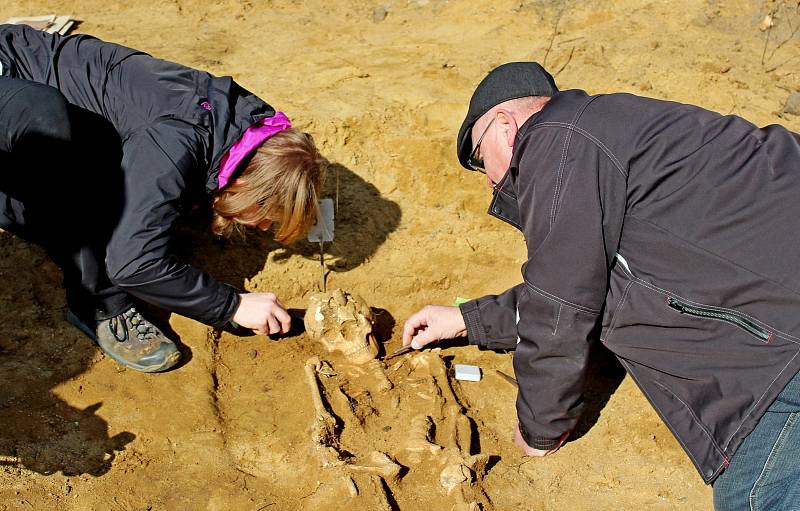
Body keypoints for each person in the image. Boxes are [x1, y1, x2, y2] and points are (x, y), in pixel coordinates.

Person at [402, 61, 800, 509]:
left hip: (776, 348)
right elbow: (585, 280)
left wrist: (541, 428)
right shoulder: (612, 131)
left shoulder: (557, 139)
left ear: (505, 125)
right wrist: (464, 319)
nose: (490, 180)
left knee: (760, 497)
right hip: (776, 304)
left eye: (479, 158)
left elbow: (562, 306)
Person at [0, 24, 326, 373]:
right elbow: (133, 264)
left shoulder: (252, 124)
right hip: (15, 98)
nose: (263, 226)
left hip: (28, 67)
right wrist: (232, 306)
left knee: (124, 178)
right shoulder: (177, 142)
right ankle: (96, 302)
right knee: (73, 177)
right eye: (265, 212)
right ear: (246, 184)